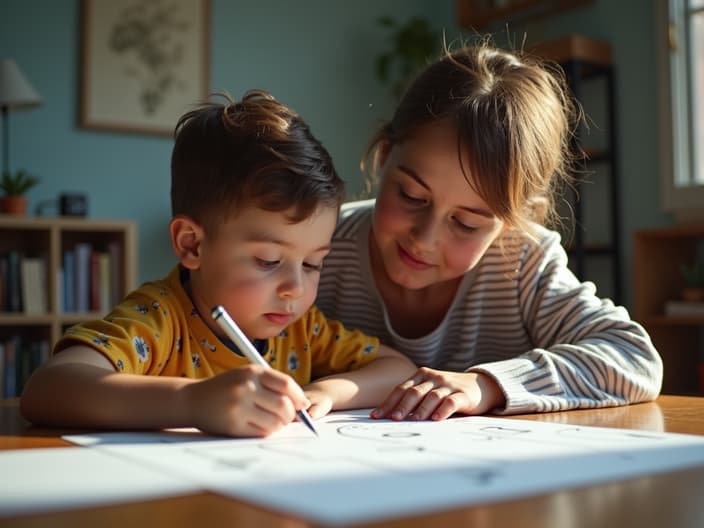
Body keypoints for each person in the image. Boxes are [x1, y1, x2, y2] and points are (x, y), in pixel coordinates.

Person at [20, 90, 416, 437]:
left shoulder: (302, 331)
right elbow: (48, 388)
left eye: (313, 264)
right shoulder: (160, 318)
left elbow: (396, 367)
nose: (295, 288)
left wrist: (324, 393)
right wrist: (191, 402)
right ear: (192, 245)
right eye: (269, 260)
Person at [316, 42, 663, 422]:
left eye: (467, 223)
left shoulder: (523, 264)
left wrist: (487, 385)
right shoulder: (322, 247)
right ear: (384, 158)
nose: (425, 238)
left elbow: (634, 357)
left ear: (509, 222)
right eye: (412, 196)